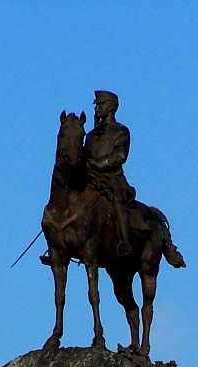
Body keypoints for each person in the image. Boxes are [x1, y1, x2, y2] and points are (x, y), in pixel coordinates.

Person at [83, 90, 136, 256]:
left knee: (116, 200)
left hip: (112, 179)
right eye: (96, 105)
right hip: (91, 178)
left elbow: (120, 156)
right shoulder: (91, 135)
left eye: (101, 105)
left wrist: (98, 164)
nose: (97, 108)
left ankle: (124, 241)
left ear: (111, 107)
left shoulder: (121, 131)